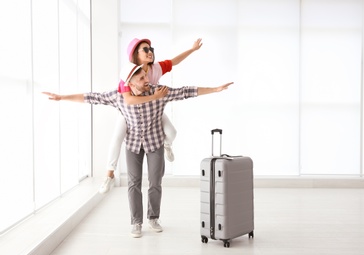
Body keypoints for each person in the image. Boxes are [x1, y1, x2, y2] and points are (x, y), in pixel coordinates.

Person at [43, 62, 232, 238]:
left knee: (155, 182)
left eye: (145, 76)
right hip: (133, 145)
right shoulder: (119, 97)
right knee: (134, 183)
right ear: (130, 83)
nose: (146, 80)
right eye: (141, 78)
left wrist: (215, 89)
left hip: (155, 142)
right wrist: (62, 97)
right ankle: (136, 222)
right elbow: (91, 97)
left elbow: (185, 92)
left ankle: (153, 217)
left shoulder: (159, 91)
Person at [99, 38, 203, 194]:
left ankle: (166, 145)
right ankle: (109, 174)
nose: (150, 52)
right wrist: (154, 97)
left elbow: (175, 61)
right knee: (117, 137)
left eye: (151, 49)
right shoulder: (129, 73)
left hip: (152, 111)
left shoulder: (157, 68)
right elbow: (128, 99)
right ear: (135, 54)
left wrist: (192, 49)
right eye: (145, 50)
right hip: (131, 113)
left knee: (172, 132)